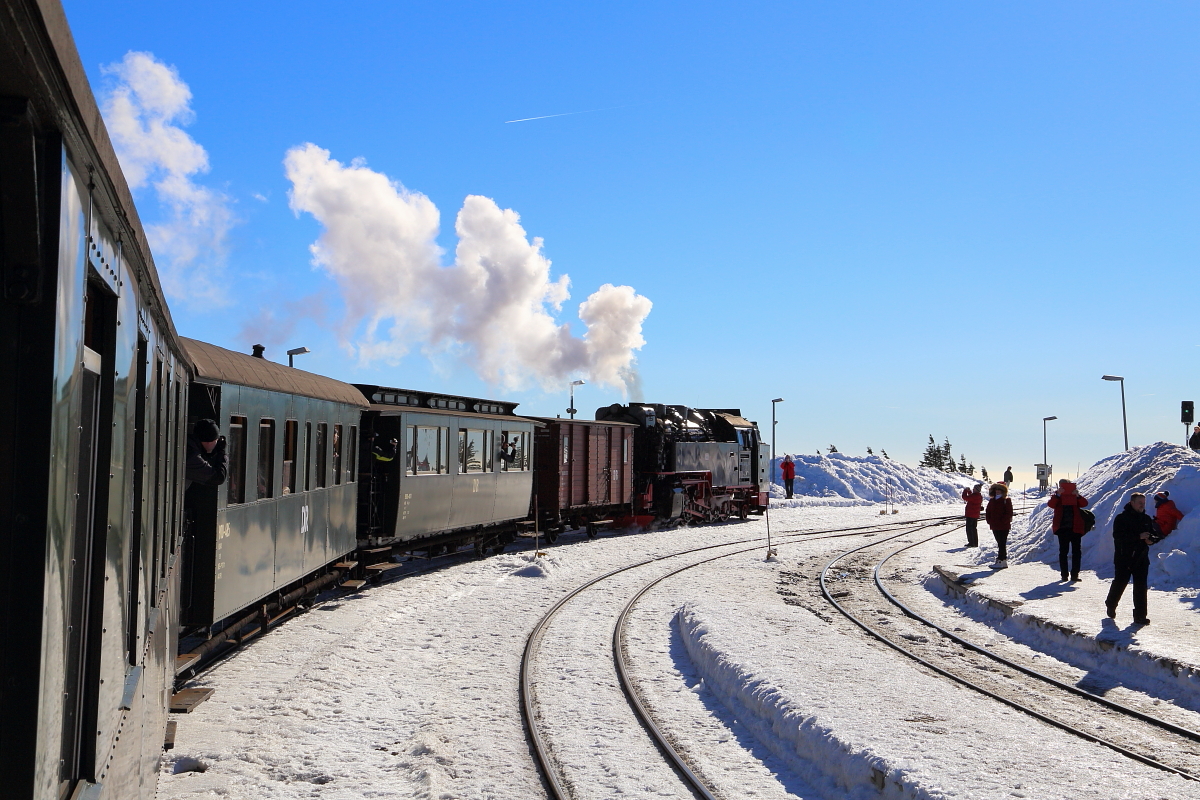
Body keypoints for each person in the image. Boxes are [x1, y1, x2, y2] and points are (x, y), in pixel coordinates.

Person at [1105, 492, 1163, 625]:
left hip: (1141, 558)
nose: (1142, 505)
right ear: (1132, 503)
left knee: (1141, 587)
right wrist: (1138, 536)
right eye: (1140, 503)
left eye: (1144, 503)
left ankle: (1140, 616)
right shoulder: (1121, 518)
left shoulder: (1146, 519)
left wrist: (1151, 540)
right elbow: (1118, 537)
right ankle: (1111, 603)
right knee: (1120, 583)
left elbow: (1154, 535)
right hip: (1124, 558)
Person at [1047, 478, 1089, 582]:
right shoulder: (1057, 496)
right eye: (1062, 486)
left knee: (1076, 552)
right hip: (1062, 529)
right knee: (1063, 552)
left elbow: (1084, 504)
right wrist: (1058, 495)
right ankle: (1064, 575)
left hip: (1075, 528)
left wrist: (1077, 496)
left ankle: (1075, 575)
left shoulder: (1075, 496)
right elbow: (1051, 504)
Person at [185, 418, 228, 492]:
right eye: (216, 440)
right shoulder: (191, 456)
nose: (217, 444)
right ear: (209, 442)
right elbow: (218, 478)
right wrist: (221, 452)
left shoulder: (191, 446)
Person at [985, 483, 1013, 569]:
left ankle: (1002, 560)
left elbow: (1009, 513)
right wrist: (989, 520)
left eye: (999, 490)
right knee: (999, 543)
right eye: (996, 489)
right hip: (994, 525)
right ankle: (1000, 559)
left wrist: (1003, 521)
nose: (997, 491)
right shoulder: (992, 500)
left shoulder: (1006, 500)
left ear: (1003, 491)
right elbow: (988, 511)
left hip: (1003, 526)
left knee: (1002, 543)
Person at [961, 483, 983, 547]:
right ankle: (975, 542)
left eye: (974, 489)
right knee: (974, 529)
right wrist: (969, 491)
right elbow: (971, 497)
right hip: (975, 515)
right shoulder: (978, 496)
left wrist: (965, 491)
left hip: (970, 514)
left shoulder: (974, 496)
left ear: (976, 490)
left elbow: (965, 497)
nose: (973, 489)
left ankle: (971, 542)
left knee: (969, 529)